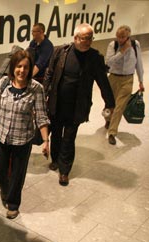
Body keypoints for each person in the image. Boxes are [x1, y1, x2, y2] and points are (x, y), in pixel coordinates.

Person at [43, 23, 115, 186]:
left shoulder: (95, 58)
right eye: (84, 38)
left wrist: (110, 103)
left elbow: (103, 82)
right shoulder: (61, 52)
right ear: (75, 38)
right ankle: (55, 159)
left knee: (69, 138)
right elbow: (50, 73)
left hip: (77, 107)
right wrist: (44, 94)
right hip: (57, 103)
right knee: (55, 133)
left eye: (90, 38)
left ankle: (64, 170)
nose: (88, 41)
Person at [0, 50, 50, 219]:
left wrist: (46, 141)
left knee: (17, 174)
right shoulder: (3, 83)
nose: (22, 70)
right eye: (19, 66)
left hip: (23, 139)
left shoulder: (36, 88)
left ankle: (13, 203)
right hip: (3, 135)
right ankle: (6, 191)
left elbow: (42, 116)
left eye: (26, 67)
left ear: (30, 69)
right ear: (13, 67)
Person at [105, 25, 145, 145]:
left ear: (128, 36)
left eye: (123, 37)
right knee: (110, 104)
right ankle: (108, 119)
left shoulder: (135, 45)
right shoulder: (113, 45)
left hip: (128, 79)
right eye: (118, 36)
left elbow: (139, 64)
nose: (120, 39)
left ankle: (112, 132)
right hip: (113, 78)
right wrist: (122, 51)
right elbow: (108, 62)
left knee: (120, 107)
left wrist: (141, 81)